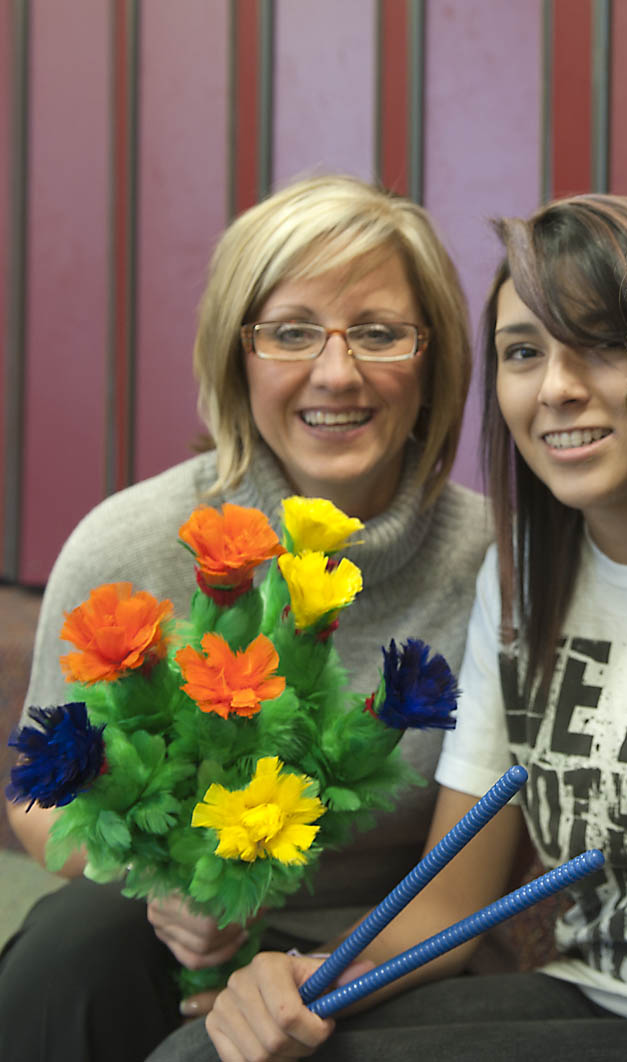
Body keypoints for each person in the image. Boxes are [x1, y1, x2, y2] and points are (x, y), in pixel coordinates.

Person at [148, 193, 627, 1062]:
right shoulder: (517, 586)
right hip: (579, 1001)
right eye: (524, 353)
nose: (557, 388)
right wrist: (299, 979)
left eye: (602, 345)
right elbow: (444, 906)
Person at [0, 174, 492, 1062]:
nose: (336, 373)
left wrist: (319, 967)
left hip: (378, 948)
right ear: (238, 357)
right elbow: (37, 805)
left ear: (436, 361)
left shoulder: (493, 564)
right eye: (291, 332)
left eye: (379, 334)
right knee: (66, 955)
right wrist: (165, 883)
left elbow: (468, 887)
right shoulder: (134, 546)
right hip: (159, 932)